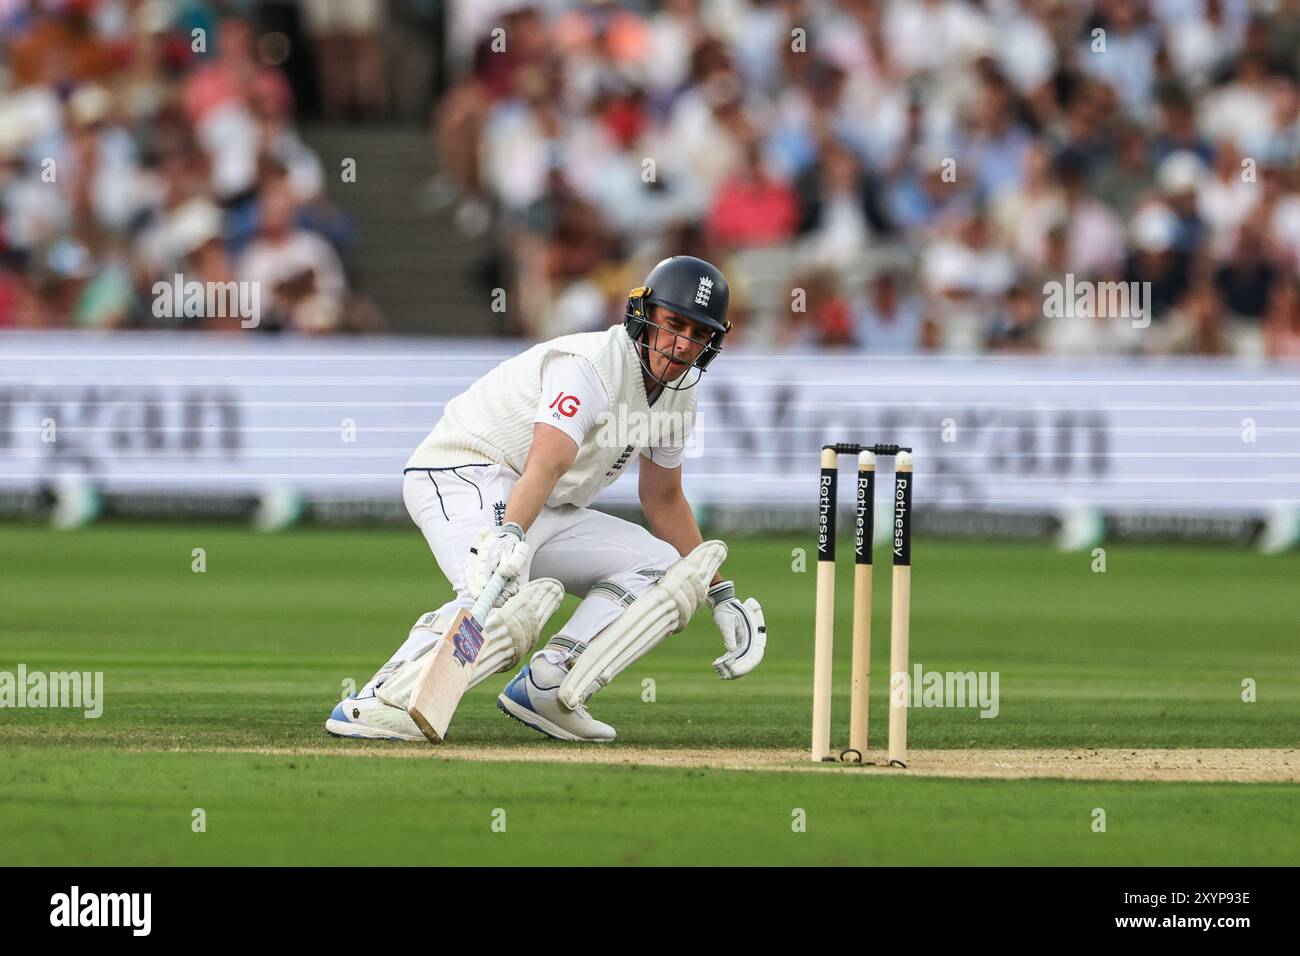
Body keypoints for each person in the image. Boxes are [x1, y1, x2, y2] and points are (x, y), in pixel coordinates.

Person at [326, 256, 767, 742]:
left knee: (665, 571)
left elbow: (664, 498)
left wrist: (719, 594)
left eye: (698, 333)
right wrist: (508, 534)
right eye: (673, 324)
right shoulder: (591, 366)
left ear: (713, 342)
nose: (681, 345)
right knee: (498, 590)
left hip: (546, 502)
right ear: (645, 315)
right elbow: (547, 462)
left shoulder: (681, 396)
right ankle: (381, 697)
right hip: (463, 470)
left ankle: (549, 685)